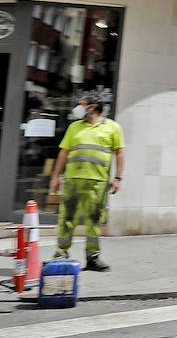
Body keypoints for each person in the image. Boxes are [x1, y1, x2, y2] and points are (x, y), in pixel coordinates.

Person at [49, 92, 124, 272]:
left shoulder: (112, 127)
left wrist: (118, 178)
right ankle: (61, 254)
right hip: (73, 180)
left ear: (92, 107)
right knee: (66, 219)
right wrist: (55, 177)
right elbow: (63, 153)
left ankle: (93, 258)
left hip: (97, 182)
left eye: (82, 104)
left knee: (93, 221)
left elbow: (119, 153)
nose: (78, 108)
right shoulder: (74, 127)